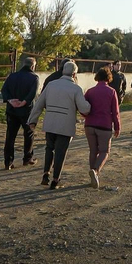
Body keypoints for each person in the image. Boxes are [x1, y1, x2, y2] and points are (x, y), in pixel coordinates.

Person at [28, 59, 90, 189]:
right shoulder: (76, 89)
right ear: (74, 74)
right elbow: (85, 109)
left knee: (49, 148)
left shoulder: (51, 85)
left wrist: (32, 120)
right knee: (60, 152)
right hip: (65, 125)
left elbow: (39, 104)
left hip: (50, 122)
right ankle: (55, 180)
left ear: (63, 71)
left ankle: (46, 174)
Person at [82, 66, 122, 188]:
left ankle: (92, 174)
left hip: (89, 124)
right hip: (104, 125)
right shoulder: (111, 91)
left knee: (93, 151)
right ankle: (95, 171)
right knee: (104, 151)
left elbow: (83, 108)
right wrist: (117, 127)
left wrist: (85, 116)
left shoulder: (89, 91)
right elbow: (115, 112)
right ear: (108, 78)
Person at [0, 55, 41, 170]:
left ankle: (8, 162)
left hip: (12, 110)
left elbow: (4, 90)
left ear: (23, 65)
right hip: (26, 111)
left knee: (10, 136)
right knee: (28, 134)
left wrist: (10, 100)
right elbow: (33, 94)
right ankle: (27, 159)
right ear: (33, 66)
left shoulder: (12, 76)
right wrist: (24, 102)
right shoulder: (34, 78)